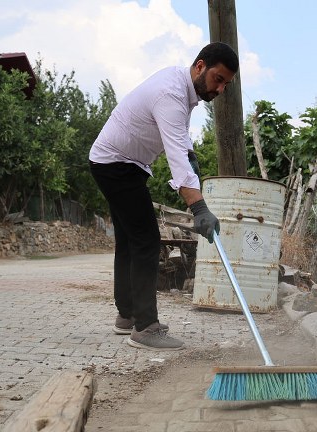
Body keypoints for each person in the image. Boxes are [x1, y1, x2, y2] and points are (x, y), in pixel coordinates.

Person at [89, 42, 239, 351]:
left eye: (226, 84)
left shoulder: (183, 90)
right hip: (117, 164)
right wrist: (199, 208)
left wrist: (192, 159)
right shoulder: (171, 94)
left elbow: (182, 143)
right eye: (218, 79)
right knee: (146, 241)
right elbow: (176, 157)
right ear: (200, 66)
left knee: (130, 241)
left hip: (122, 163)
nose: (220, 89)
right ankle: (146, 327)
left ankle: (127, 316)